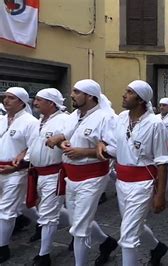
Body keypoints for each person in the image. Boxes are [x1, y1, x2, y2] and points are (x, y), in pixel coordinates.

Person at [97, 80, 168, 266]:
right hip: (121, 182)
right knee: (133, 224)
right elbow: (114, 145)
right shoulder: (121, 118)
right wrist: (102, 145)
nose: (124, 95)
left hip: (142, 184)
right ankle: (157, 247)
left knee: (128, 236)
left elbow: (162, 162)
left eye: (129, 92)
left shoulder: (155, 124)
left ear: (140, 99)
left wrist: (160, 195)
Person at [46, 79, 118, 266]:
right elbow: (64, 135)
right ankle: (106, 242)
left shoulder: (106, 117)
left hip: (92, 176)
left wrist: (84, 152)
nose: (72, 95)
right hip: (71, 176)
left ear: (90, 96)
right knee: (76, 219)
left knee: (80, 228)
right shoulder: (74, 115)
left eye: (77, 92)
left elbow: (115, 149)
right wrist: (62, 143)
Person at [24, 88, 69, 266]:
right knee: (56, 211)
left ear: (51, 103)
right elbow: (32, 145)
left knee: (48, 215)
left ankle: (44, 256)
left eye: (39, 100)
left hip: (54, 174)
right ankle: (97, 236)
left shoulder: (65, 121)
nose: (35, 103)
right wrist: (24, 156)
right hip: (38, 174)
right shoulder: (39, 121)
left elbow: (70, 140)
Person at [0, 87, 39, 263]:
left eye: (11, 98)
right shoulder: (1, 120)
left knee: (6, 211)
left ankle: (2, 248)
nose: (6, 101)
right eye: (4, 97)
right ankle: (46, 222)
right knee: (23, 206)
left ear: (22, 102)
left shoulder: (30, 122)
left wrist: (20, 163)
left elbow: (34, 147)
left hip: (16, 172)